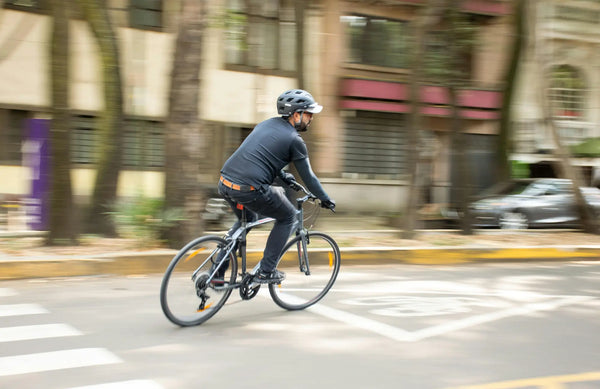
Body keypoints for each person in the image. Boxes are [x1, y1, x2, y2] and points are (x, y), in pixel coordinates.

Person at [216, 89, 335, 284]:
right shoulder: (295, 140)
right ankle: (266, 271)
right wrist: (325, 198)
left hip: (226, 184)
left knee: (246, 220)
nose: (311, 118)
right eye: (309, 114)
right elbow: (310, 178)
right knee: (288, 217)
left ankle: (216, 274)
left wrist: (283, 175)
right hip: (249, 190)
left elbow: (260, 156)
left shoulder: (266, 125)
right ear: (296, 114)